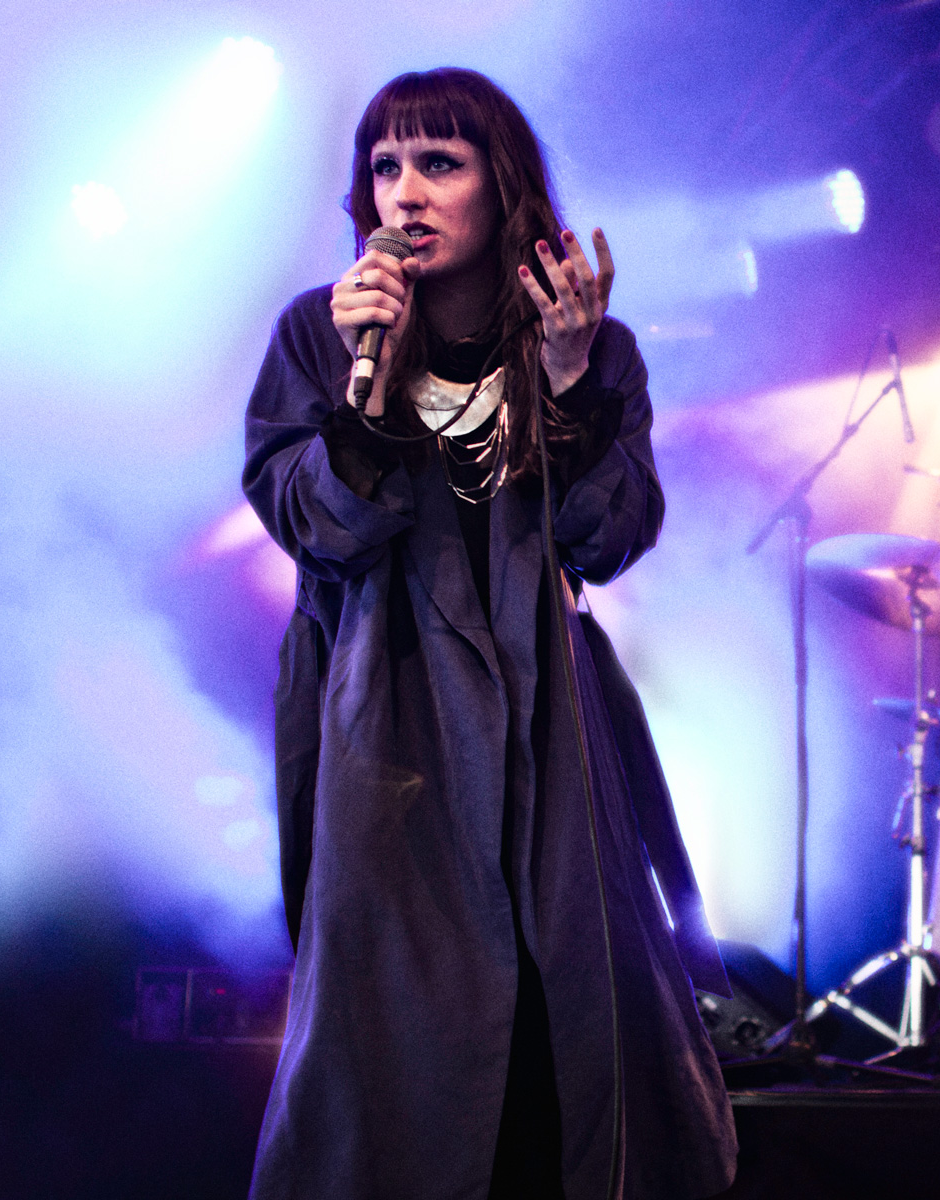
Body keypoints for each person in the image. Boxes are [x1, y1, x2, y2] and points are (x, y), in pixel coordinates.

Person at [241, 68, 736, 1199]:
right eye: (384, 168)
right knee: (398, 1029)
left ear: (499, 182)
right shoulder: (320, 341)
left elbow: (606, 540)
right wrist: (363, 399)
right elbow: (315, 530)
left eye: (439, 164)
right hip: (388, 711)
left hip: (549, 712)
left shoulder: (589, 349)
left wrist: (567, 389)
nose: (403, 195)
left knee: (564, 1003)